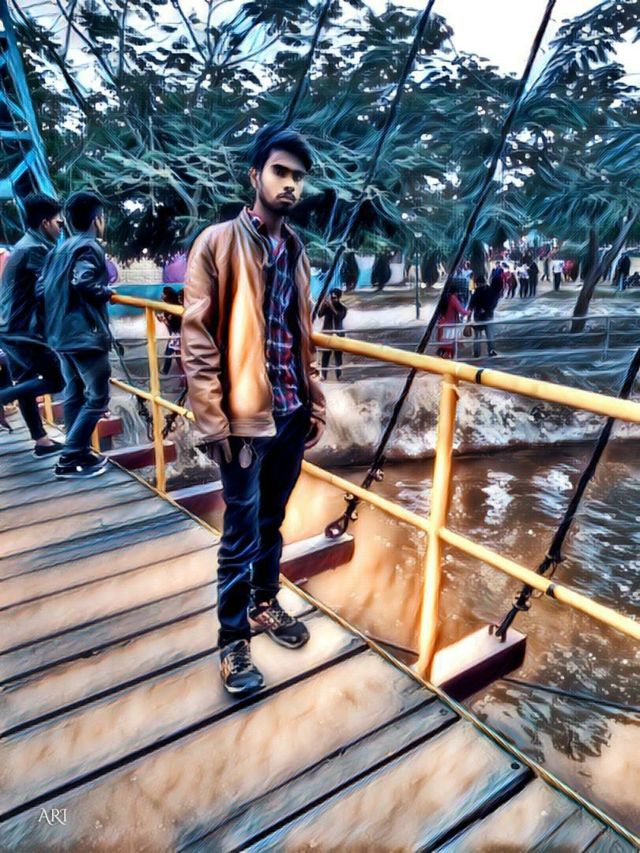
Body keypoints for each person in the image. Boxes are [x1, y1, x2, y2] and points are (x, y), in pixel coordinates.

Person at [182, 126, 325, 696]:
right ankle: (231, 640)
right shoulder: (218, 242)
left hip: (290, 412)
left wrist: (315, 403)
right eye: (280, 172)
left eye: (298, 176)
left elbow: (303, 335)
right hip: (243, 419)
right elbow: (197, 339)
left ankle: (266, 603)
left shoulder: (296, 250)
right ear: (255, 176)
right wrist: (212, 419)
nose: (290, 184)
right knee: (240, 531)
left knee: (272, 520)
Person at [39, 191, 115, 478]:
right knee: (97, 398)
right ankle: (70, 457)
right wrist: (106, 292)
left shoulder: (58, 249)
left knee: (73, 394)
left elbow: (40, 289)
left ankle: (78, 451)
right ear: (97, 219)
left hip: (60, 336)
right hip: (84, 335)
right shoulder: (90, 247)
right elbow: (83, 281)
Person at [0, 194, 65, 455]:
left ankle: (41, 441)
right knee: (58, 379)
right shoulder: (35, 249)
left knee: (26, 380)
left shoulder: (25, 244)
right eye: (59, 223)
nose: (61, 229)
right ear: (45, 222)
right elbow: (51, 288)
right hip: (22, 330)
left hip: (8, 327)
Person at [318, 288, 348, 380]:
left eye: (334, 298)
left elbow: (339, 317)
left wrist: (331, 306)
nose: (332, 300)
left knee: (338, 356)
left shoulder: (343, 308)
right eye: (331, 298)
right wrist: (323, 305)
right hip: (328, 334)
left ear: (339, 298)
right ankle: (323, 375)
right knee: (325, 356)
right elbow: (319, 315)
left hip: (338, 335)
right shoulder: (327, 307)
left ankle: (339, 376)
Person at [436, 281, 469, 359]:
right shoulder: (453, 298)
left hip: (443, 326)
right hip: (451, 326)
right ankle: (449, 361)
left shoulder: (443, 298)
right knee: (451, 347)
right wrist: (469, 311)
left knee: (445, 346)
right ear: (455, 291)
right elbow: (462, 311)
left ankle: (442, 358)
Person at [468, 275, 497, 357]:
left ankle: (476, 352)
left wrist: (468, 318)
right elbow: (494, 301)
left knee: (477, 335)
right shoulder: (490, 290)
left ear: (478, 283)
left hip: (478, 316)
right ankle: (491, 351)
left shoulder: (476, 292)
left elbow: (471, 305)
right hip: (488, 315)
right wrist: (488, 309)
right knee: (489, 335)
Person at [160, 286, 183, 376]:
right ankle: (168, 371)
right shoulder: (169, 307)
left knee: (170, 353)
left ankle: (166, 372)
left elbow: (175, 324)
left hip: (178, 335)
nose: (162, 295)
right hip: (176, 334)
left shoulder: (174, 308)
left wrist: (167, 320)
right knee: (175, 354)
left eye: (164, 294)